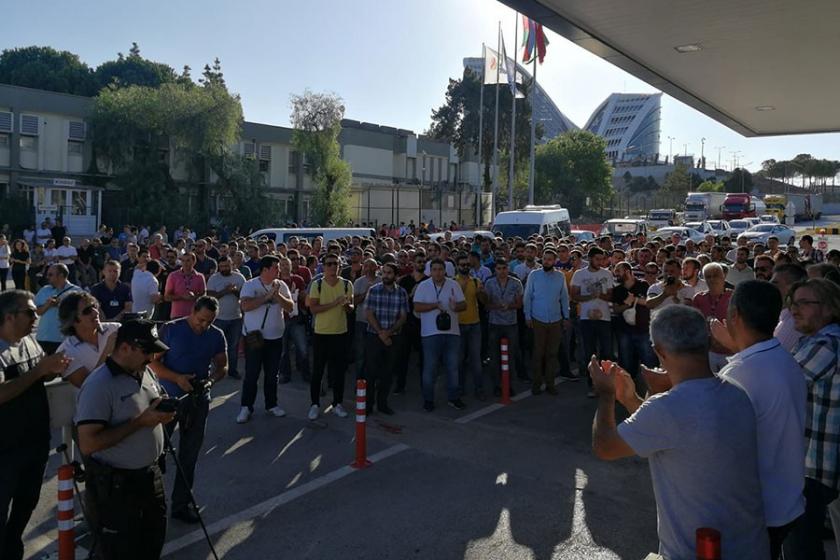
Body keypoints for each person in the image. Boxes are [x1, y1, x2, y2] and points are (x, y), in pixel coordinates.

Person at [589, 305, 770, 559]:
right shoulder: (736, 393)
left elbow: (605, 446)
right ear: (708, 341)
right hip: (751, 546)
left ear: (659, 351)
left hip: (697, 552)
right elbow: (672, 435)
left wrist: (606, 393)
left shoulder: (667, 408)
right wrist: (631, 400)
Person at [714, 280, 807, 558]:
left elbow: (715, 444)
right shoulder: (784, 358)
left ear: (735, 316)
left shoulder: (740, 373)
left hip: (757, 511)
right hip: (786, 500)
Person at [74, 319, 176, 560]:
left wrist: (161, 413)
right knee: (120, 551)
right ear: (125, 348)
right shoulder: (99, 386)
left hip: (150, 477)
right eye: (147, 351)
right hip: (117, 488)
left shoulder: (145, 371)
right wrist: (141, 422)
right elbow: (88, 443)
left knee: (152, 543)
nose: (152, 357)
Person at [0, 290, 70, 560]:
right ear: (8, 316)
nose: (36, 316)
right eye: (30, 312)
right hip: (6, 451)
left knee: (24, 507)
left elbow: (38, 374)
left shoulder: (29, 341)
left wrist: (52, 369)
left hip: (35, 444)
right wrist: (40, 371)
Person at [150, 297, 227, 524]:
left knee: (189, 454)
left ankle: (181, 504)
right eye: (200, 320)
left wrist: (210, 381)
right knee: (155, 454)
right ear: (192, 311)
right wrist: (176, 378)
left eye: (209, 322)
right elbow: (153, 363)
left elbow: (223, 366)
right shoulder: (171, 329)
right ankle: (151, 504)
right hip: (167, 399)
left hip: (198, 401)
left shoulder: (216, 335)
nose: (203, 326)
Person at [784, 278, 840, 560]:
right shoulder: (813, 341)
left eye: (805, 303)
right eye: (793, 302)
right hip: (811, 463)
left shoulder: (827, 343)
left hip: (815, 466)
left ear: (830, 309)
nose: (795, 309)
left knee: (799, 548)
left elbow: (779, 385)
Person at [237, 255, 294, 423]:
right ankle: (246, 407)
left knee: (272, 374)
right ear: (265, 269)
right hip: (255, 338)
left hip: (275, 338)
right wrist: (266, 296)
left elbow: (290, 307)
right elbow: (245, 306)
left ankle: (271, 404)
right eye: (276, 267)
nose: (279, 270)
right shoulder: (250, 285)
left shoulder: (281, 285)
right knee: (252, 374)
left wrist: (276, 295)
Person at [413, 258, 467, 411]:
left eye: (440, 269)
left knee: (452, 367)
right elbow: (417, 307)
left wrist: (456, 306)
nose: (438, 272)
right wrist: (434, 306)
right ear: (430, 271)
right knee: (430, 368)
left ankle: (454, 397)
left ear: (445, 271)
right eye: (434, 269)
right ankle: (428, 399)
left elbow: (464, 304)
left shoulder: (453, 284)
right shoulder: (423, 286)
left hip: (452, 333)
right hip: (430, 334)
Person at [307, 254, 354, 420]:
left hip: (340, 333)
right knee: (318, 371)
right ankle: (314, 404)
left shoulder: (347, 284)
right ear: (324, 266)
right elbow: (313, 309)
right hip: (321, 333)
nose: (333, 266)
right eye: (329, 264)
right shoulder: (317, 285)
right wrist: (334, 303)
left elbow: (350, 308)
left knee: (339, 371)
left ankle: (337, 403)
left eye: (336, 263)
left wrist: (347, 305)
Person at [524, 248, 573, 394]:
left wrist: (566, 316)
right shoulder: (534, 275)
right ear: (542, 259)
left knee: (552, 353)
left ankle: (550, 384)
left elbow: (564, 297)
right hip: (537, 318)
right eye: (545, 259)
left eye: (550, 259)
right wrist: (527, 316)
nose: (547, 261)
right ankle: (536, 383)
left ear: (554, 261)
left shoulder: (560, 277)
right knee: (538, 353)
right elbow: (527, 296)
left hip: (556, 319)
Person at [364, 262, 409, 415]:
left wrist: (388, 332)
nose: (386, 275)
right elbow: (369, 313)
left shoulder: (401, 292)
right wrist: (381, 333)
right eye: (384, 272)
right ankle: (368, 405)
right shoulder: (373, 290)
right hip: (374, 336)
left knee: (388, 372)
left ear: (395, 276)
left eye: (389, 273)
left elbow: (403, 317)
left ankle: (382, 403)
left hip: (393, 337)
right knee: (370, 372)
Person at [571, 247, 614, 397]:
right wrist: (589, 297)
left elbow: (610, 295)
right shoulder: (579, 274)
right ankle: (593, 384)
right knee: (590, 353)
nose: (600, 262)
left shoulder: (607, 274)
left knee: (607, 352)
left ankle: (607, 384)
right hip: (586, 319)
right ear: (589, 259)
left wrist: (600, 295)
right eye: (597, 259)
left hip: (604, 319)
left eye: (602, 259)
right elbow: (574, 295)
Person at [57, 293, 120, 388]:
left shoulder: (115, 329)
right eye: (87, 311)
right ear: (73, 319)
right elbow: (88, 387)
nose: (96, 312)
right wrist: (107, 351)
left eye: (94, 306)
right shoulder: (66, 352)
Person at [484, 257, 523, 397]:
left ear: (508, 268)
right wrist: (497, 307)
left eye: (504, 268)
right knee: (494, 357)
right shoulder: (489, 283)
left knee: (511, 356)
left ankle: (510, 385)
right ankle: (497, 385)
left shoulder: (516, 283)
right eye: (499, 269)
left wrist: (509, 306)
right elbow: (486, 304)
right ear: (495, 270)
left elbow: (519, 304)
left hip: (511, 324)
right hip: (495, 323)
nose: (502, 271)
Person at [611, 261, 653, 380]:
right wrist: (626, 304)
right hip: (624, 331)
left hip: (643, 330)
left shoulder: (643, 285)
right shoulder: (617, 290)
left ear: (627, 271)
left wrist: (635, 299)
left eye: (618, 271)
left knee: (648, 361)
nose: (616, 274)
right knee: (626, 363)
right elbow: (616, 309)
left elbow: (649, 303)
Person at [206, 256, 246, 380]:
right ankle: (216, 369)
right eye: (222, 266)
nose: (224, 268)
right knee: (216, 345)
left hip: (236, 317)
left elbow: (245, 296)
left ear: (232, 265)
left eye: (227, 266)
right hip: (218, 318)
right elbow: (210, 296)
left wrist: (235, 292)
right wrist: (226, 291)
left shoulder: (239, 278)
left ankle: (232, 370)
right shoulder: (214, 279)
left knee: (233, 346)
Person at [455, 252, 486, 399]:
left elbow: (483, 301)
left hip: (474, 324)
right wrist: (462, 286)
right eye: (462, 265)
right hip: (458, 325)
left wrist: (481, 293)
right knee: (459, 360)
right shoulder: (453, 282)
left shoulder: (476, 281)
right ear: (457, 267)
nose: (465, 267)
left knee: (475, 360)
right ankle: (459, 387)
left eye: (467, 265)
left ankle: (479, 388)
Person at [691, 263, 732, 372]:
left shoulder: (734, 297)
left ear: (723, 276)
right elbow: (695, 326)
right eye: (708, 276)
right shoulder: (698, 298)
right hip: (708, 352)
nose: (712, 279)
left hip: (731, 353)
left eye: (716, 275)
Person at [34, 264, 82, 354]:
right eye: (47, 274)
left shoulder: (77, 291)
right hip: (43, 338)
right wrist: (47, 305)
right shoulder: (44, 290)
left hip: (64, 339)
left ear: (61, 275)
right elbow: (36, 312)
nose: (47, 277)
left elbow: (81, 314)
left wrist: (62, 305)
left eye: (50, 274)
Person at [277, 256, 309, 384]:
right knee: (283, 350)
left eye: (287, 265)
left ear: (291, 266)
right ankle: (285, 374)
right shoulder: (275, 281)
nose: (285, 267)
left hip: (296, 318)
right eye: (282, 264)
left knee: (302, 347)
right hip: (280, 319)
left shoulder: (298, 279)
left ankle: (306, 372)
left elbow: (302, 296)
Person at [352, 258, 379, 379]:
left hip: (378, 323)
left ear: (376, 268)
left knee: (375, 354)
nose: (368, 269)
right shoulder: (358, 282)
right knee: (360, 354)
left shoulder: (381, 281)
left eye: (371, 266)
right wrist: (366, 293)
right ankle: (360, 381)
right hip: (361, 322)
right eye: (366, 266)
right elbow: (354, 302)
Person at [165, 252, 206, 319]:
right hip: (177, 315)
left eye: (188, 260)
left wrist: (194, 297)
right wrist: (182, 297)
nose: (185, 263)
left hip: (194, 315)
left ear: (194, 261)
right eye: (183, 261)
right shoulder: (173, 276)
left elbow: (203, 295)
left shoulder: (200, 277)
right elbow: (166, 297)